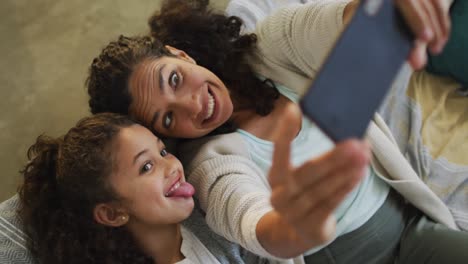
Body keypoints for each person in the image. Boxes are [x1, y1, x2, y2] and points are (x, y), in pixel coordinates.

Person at [86, 0, 468, 263]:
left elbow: (333, 24)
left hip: (412, 224)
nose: (192, 105)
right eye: (168, 118)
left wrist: (382, 12)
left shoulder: (267, 50)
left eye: (174, 78)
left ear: (181, 54)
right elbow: (247, 216)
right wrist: (289, 227)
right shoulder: (209, 159)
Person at [18, 113, 263, 264]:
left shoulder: (211, 225)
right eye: (146, 167)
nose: (171, 166)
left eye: (163, 151)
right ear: (113, 213)